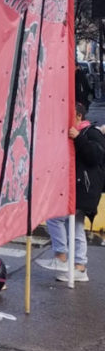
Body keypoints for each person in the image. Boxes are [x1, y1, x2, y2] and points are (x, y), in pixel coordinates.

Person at [37, 102, 105, 283]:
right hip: (77, 187)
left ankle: (61, 256)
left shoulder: (91, 132)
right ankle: (79, 267)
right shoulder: (73, 134)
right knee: (75, 226)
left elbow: (95, 157)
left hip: (85, 189)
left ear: (79, 116)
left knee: (56, 217)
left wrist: (78, 138)